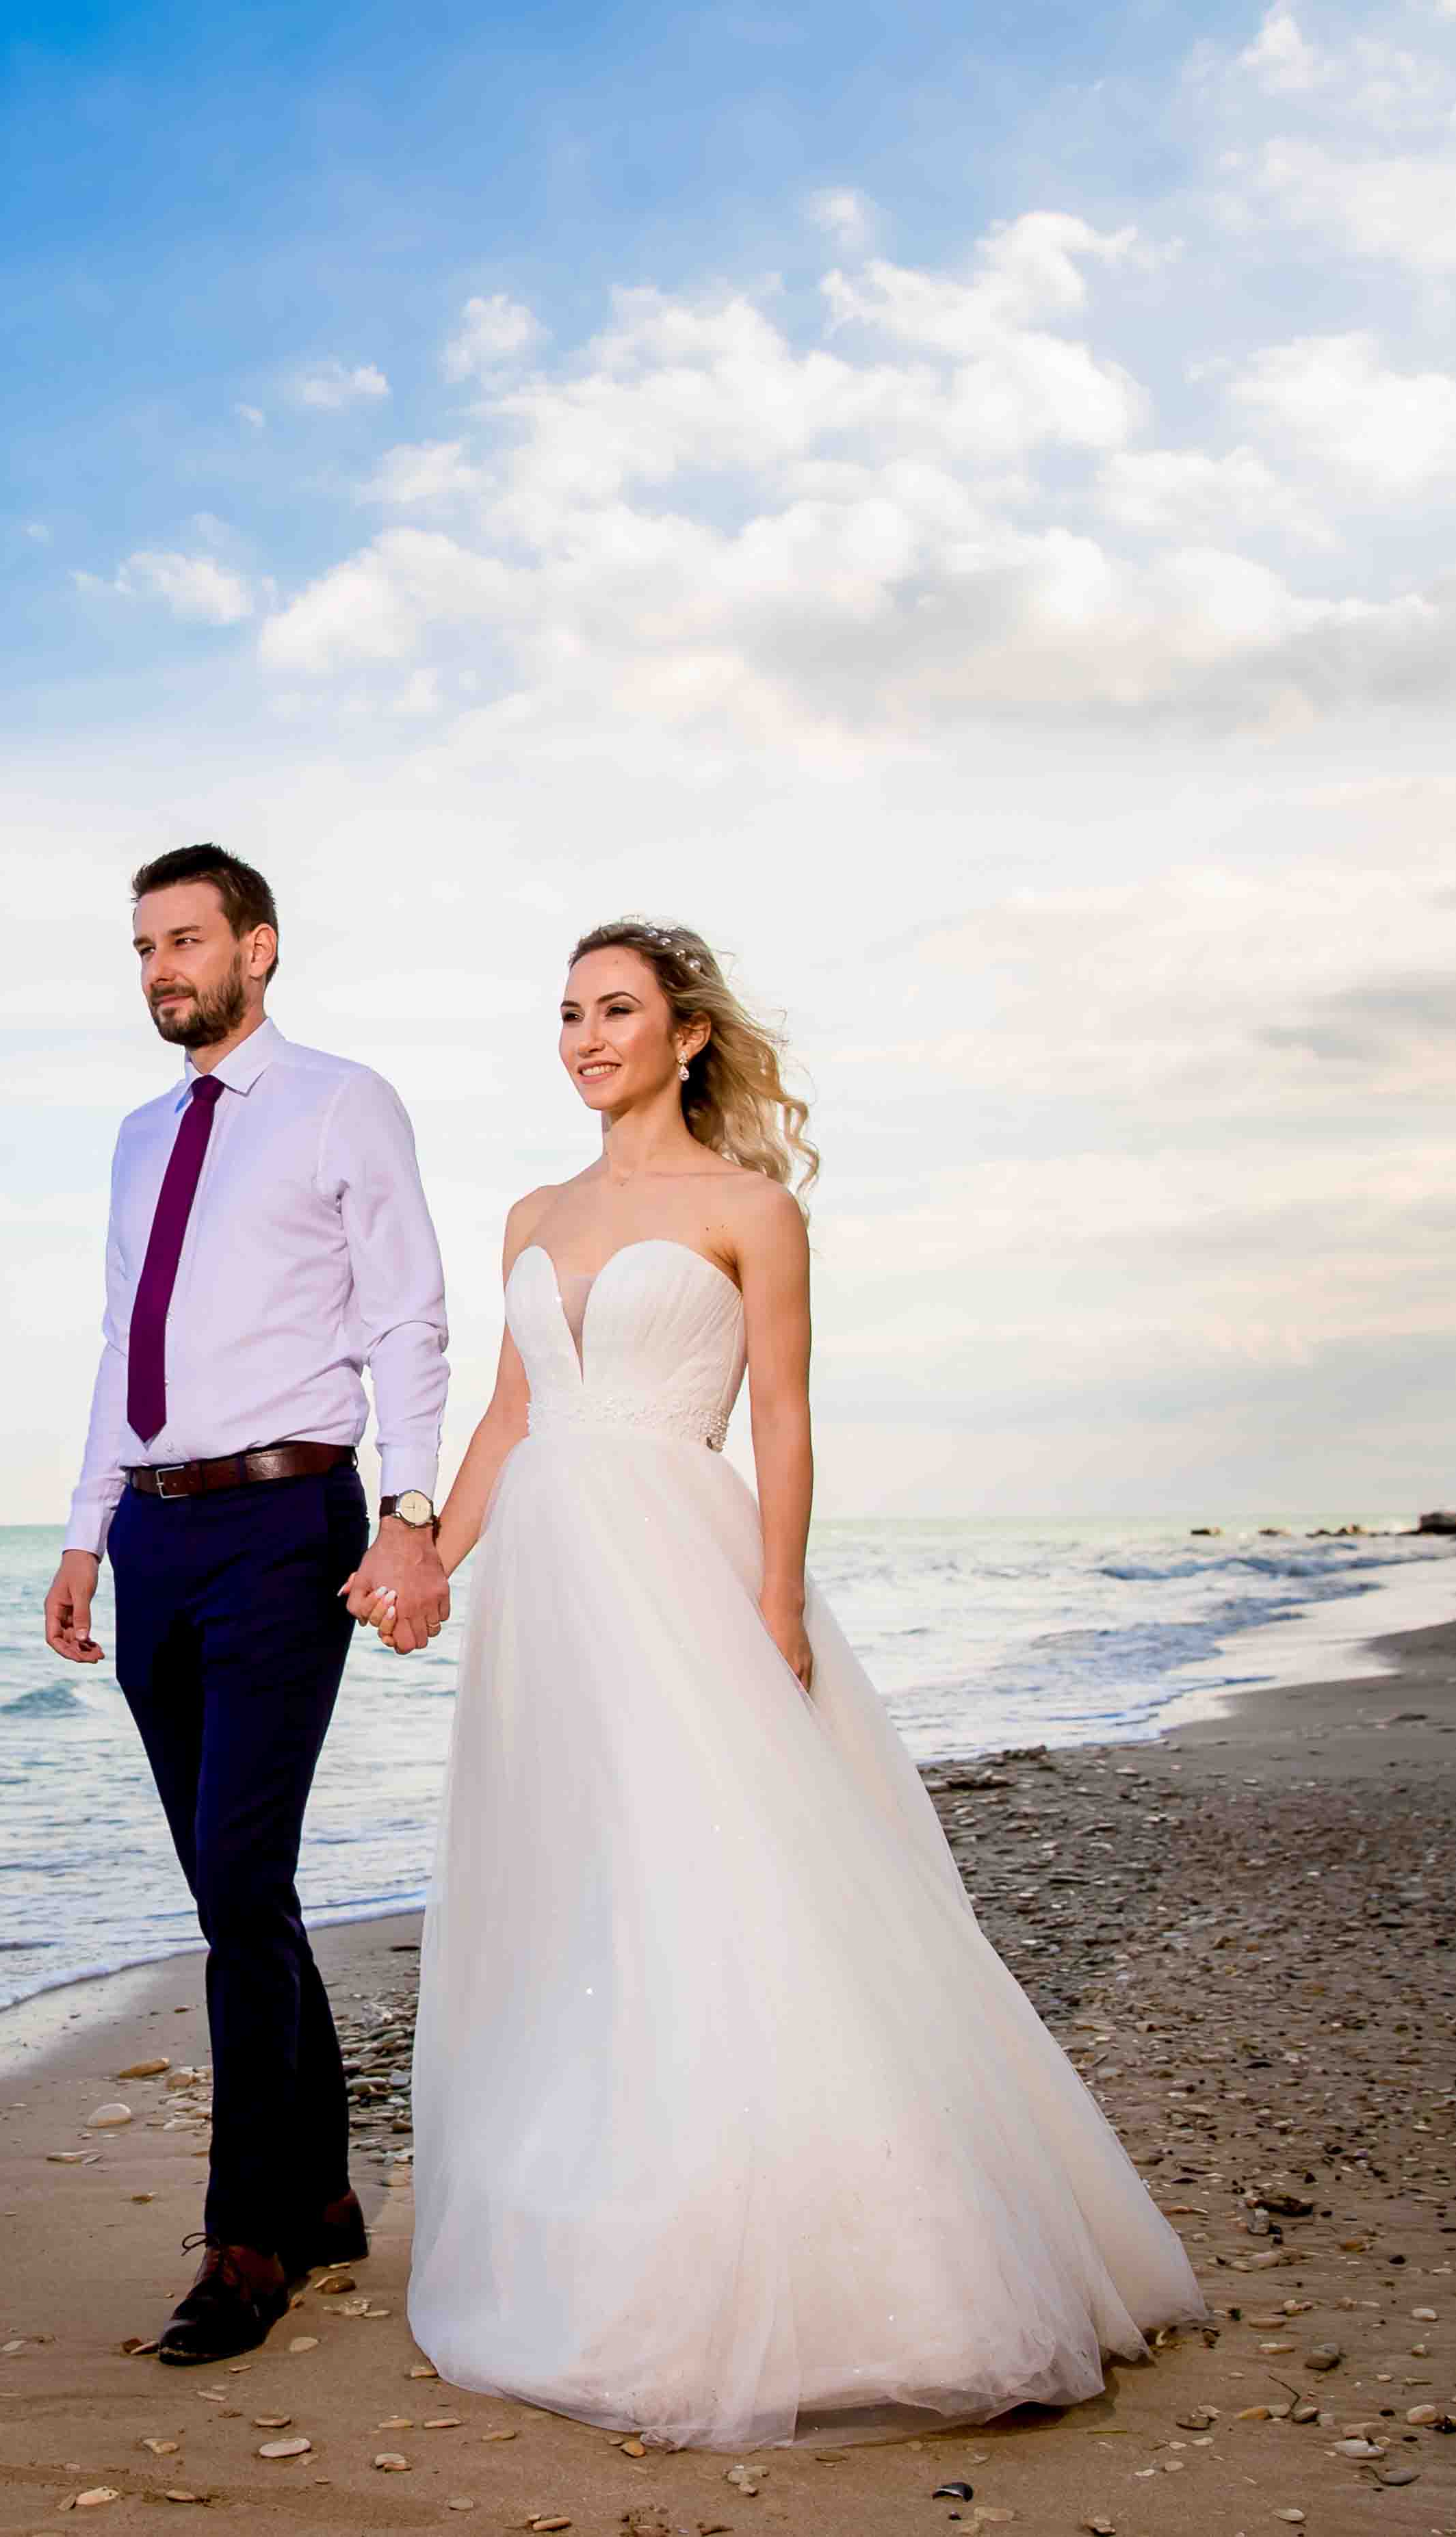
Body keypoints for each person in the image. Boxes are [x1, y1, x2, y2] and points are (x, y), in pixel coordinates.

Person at [388, 918, 1202, 2449]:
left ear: (687, 1034)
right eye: (567, 1013)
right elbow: (509, 1416)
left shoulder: (752, 1209)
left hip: (678, 1569)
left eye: (615, 1010)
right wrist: (432, 1548)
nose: (584, 1037)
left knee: (722, 1877)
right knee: (581, 1891)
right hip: (548, 1596)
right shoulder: (528, 1212)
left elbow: (782, 1419)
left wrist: (775, 1604)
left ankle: (839, 2259)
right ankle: (606, 2212)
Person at [42, 842, 452, 2365]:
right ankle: (332, 2190)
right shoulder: (138, 1138)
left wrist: (411, 1514)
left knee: (236, 1864)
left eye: (188, 940)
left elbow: (411, 1315)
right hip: (153, 1538)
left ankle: (249, 2238)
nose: (162, 968)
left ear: (258, 950)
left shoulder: (345, 1103)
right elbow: (115, 1342)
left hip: (288, 1515)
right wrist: (85, 1534)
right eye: (144, 945)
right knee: (238, 1891)